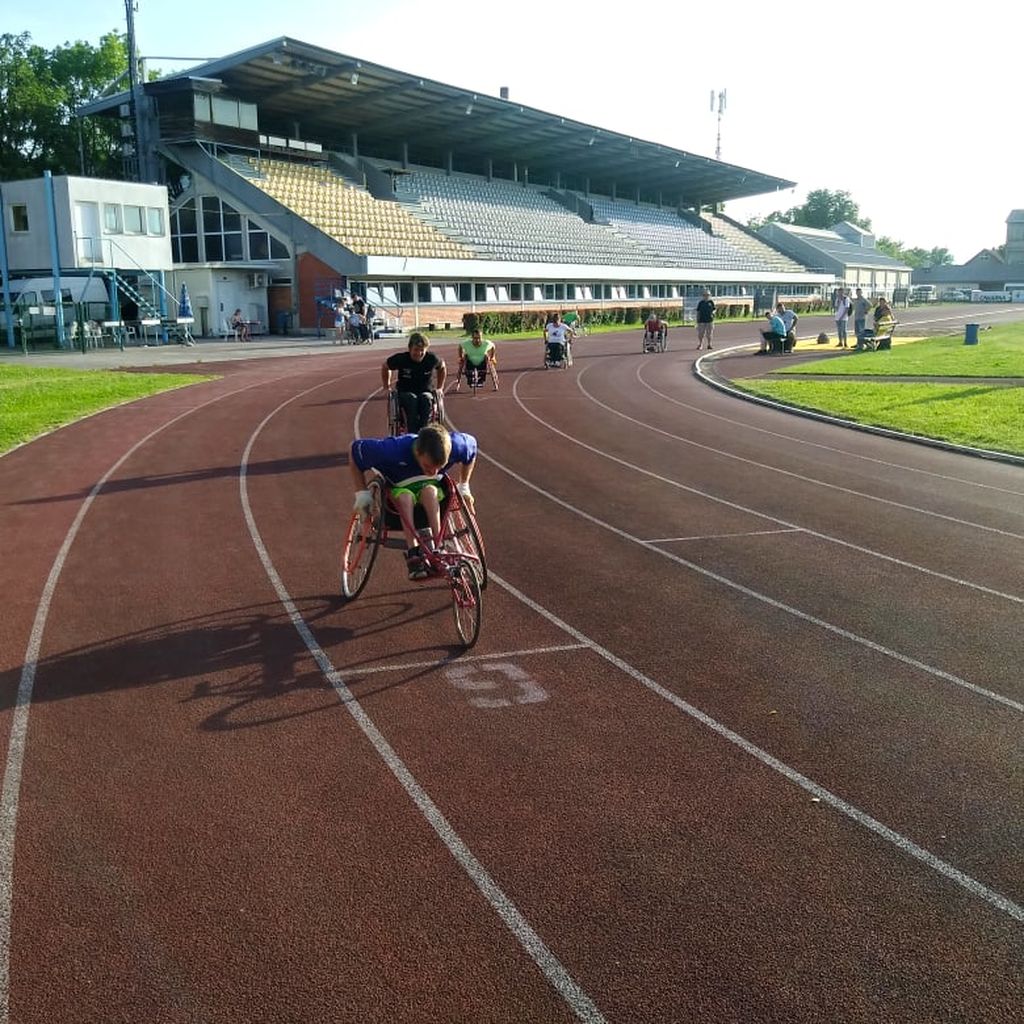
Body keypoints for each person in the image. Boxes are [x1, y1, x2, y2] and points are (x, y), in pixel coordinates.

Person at [350, 423, 477, 580]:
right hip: (400, 489)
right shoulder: (392, 450)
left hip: (430, 488)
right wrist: (362, 495)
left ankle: (439, 547)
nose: (433, 472)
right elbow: (354, 451)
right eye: (428, 466)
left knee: (430, 492)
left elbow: (472, 448)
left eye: (439, 467)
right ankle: (413, 553)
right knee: (405, 497)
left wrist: (464, 486)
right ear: (417, 452)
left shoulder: (456, 445)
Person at [383, 332, 446, 433]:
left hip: (425, 391)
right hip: (405, 392)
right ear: (409, 348)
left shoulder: (431, 359)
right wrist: (386, 387)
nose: (419, 353)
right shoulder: (402, 359)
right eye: (416, 350)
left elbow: (442, 367)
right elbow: (385, 366)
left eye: (422, 350)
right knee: (412, 399)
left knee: (426, 399)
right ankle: (413, 433)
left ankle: (424, 431)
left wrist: (440, 388)